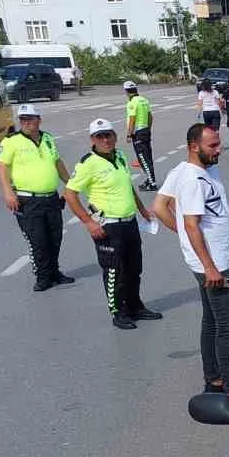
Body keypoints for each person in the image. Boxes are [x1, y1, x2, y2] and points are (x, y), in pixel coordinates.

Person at [155, 124, 229, 397]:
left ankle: (213, 377)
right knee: (227, 324)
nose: (219, 149)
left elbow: (159, 206)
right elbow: (192, 224)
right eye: (212, 146)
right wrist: (209, 267)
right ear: (194, 146)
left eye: (218, 143)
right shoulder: (192, 179)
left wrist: (184, 236)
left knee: (212, 321)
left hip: (219, 256)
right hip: (213, 264)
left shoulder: (192, 170)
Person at [61, 118, 161, 330]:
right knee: (115, 271)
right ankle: (119, 312)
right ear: (92, 140)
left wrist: (143, 210)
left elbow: (128, 186)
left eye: (108, 135)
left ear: (115, 136)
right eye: (100, 136)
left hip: (129, 222)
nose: (105, 140)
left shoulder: (121, 156)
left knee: (135, 268)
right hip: (108, 226)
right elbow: (70, 194)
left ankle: (135, 306)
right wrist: (88, 222)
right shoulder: (88, 163)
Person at [0, 103, 74, 292]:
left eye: (30, 119)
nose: (26, 123)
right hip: (27, 200)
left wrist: (70, 183)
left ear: (39, 119)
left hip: (51, 198)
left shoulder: (47, 138)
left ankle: (54, 272)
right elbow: (2, 166)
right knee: (37, 240)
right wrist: (7, 192)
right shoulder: (11, 141)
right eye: (23, 119)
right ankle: (43, 276)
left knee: (55, 237)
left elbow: (57, 162)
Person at [123, 81, 159, 191]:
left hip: (138, 133)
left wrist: (129, 134)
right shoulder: (144, 100)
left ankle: (152, 182)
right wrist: (148, 128)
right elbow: (150, 116)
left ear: (126, 91)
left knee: (143, 158)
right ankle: (150, 179)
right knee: (148, 156)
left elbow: (132, 119)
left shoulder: (132, 103)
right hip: (145, 131)